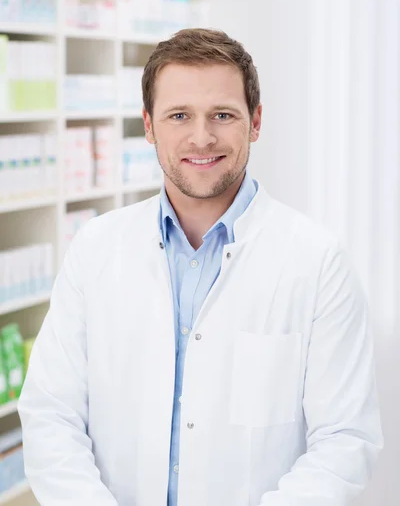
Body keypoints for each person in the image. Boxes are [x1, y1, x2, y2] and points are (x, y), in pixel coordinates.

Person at [19, 28, 383, 506]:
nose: (201, 136)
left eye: (223, 115)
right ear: (148, 125)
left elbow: (344, 440)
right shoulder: (96, 249)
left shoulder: (317, 262)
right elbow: (51, 414)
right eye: (179, 115)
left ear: (255, 122)